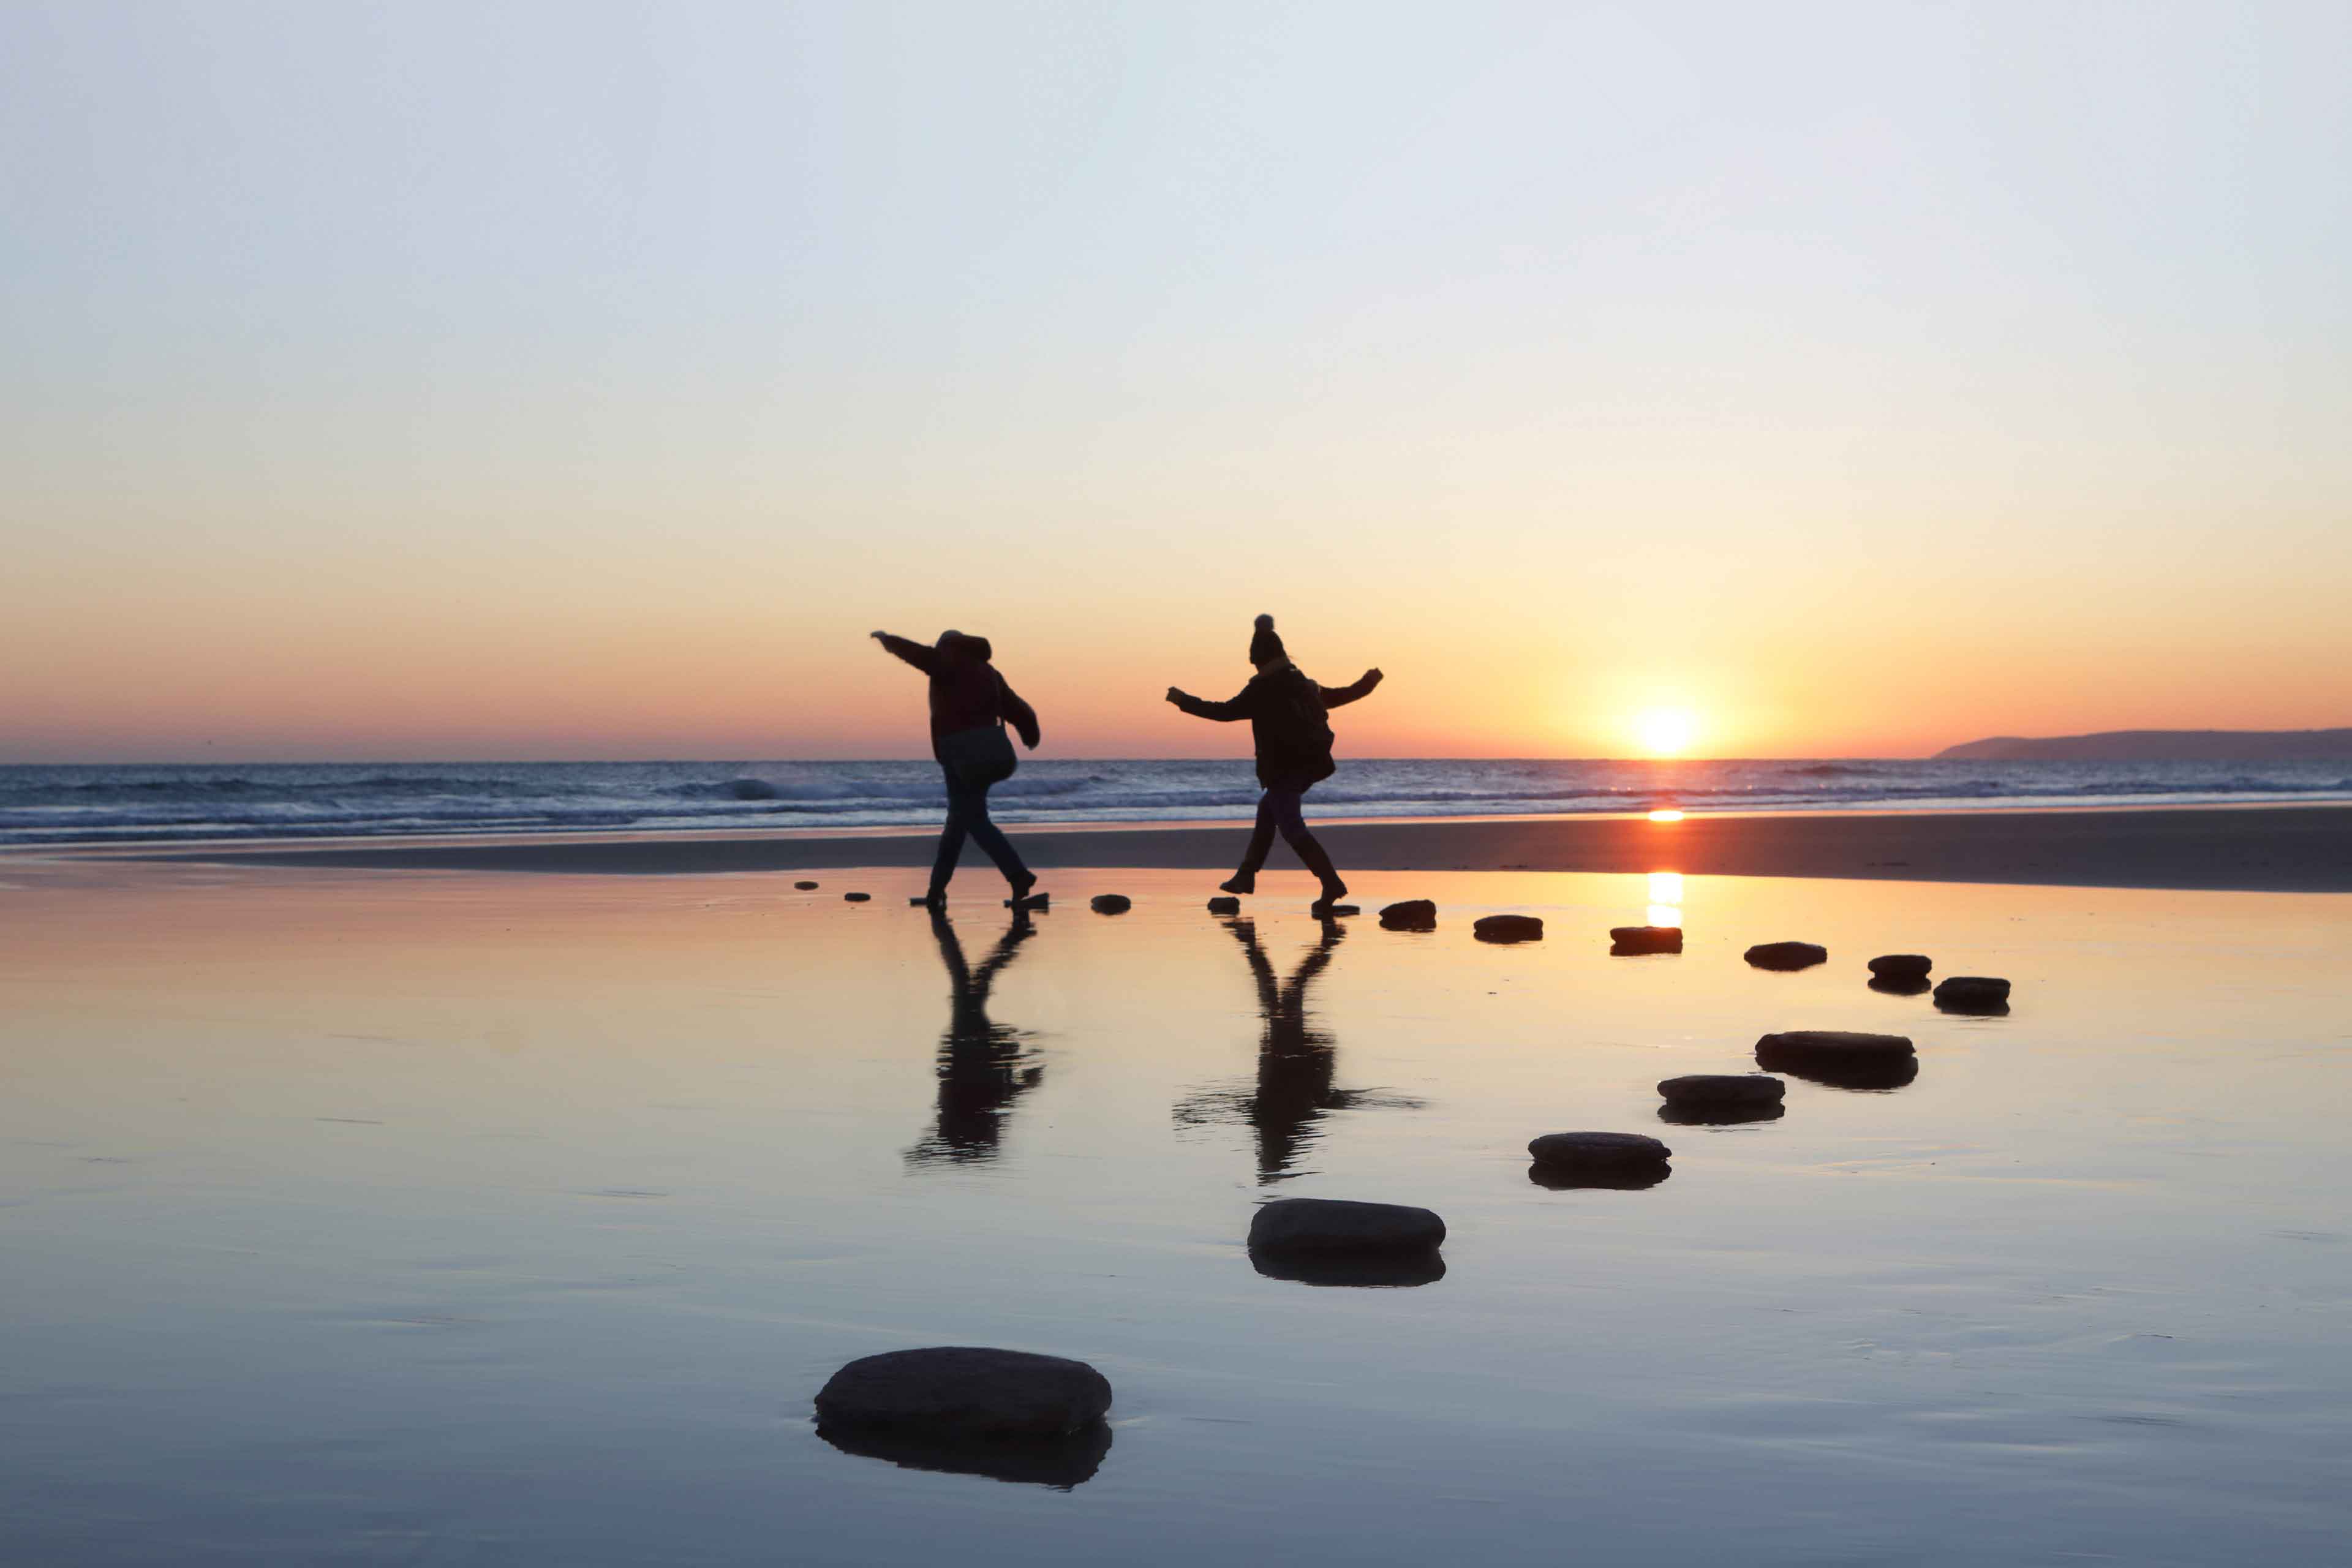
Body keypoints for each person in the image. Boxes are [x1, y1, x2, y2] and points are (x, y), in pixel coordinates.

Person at [1164, 614, 1381, 908]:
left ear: (1260, 660)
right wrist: (1368, 683)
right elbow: (1338, 697)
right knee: (1268, 811)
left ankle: (1331, 883)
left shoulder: (1264, 687)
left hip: (1284, 768)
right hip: (1309, 765)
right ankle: (1246, 876)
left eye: (1254, 661)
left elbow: (1225, 712)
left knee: (1291, 827)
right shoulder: (1301, 682)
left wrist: (1183, 700)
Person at [871, 628, 1042, 907]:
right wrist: (1030, 735)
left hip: (961, 756)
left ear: (948, 647)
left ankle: (1018, 875)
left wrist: (888, 641)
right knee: (958, 821)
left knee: (971, 820)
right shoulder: (989, 672)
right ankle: (936, 891)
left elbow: (919, 655)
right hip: (990, 755)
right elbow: (1020, 710)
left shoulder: (950, 662)